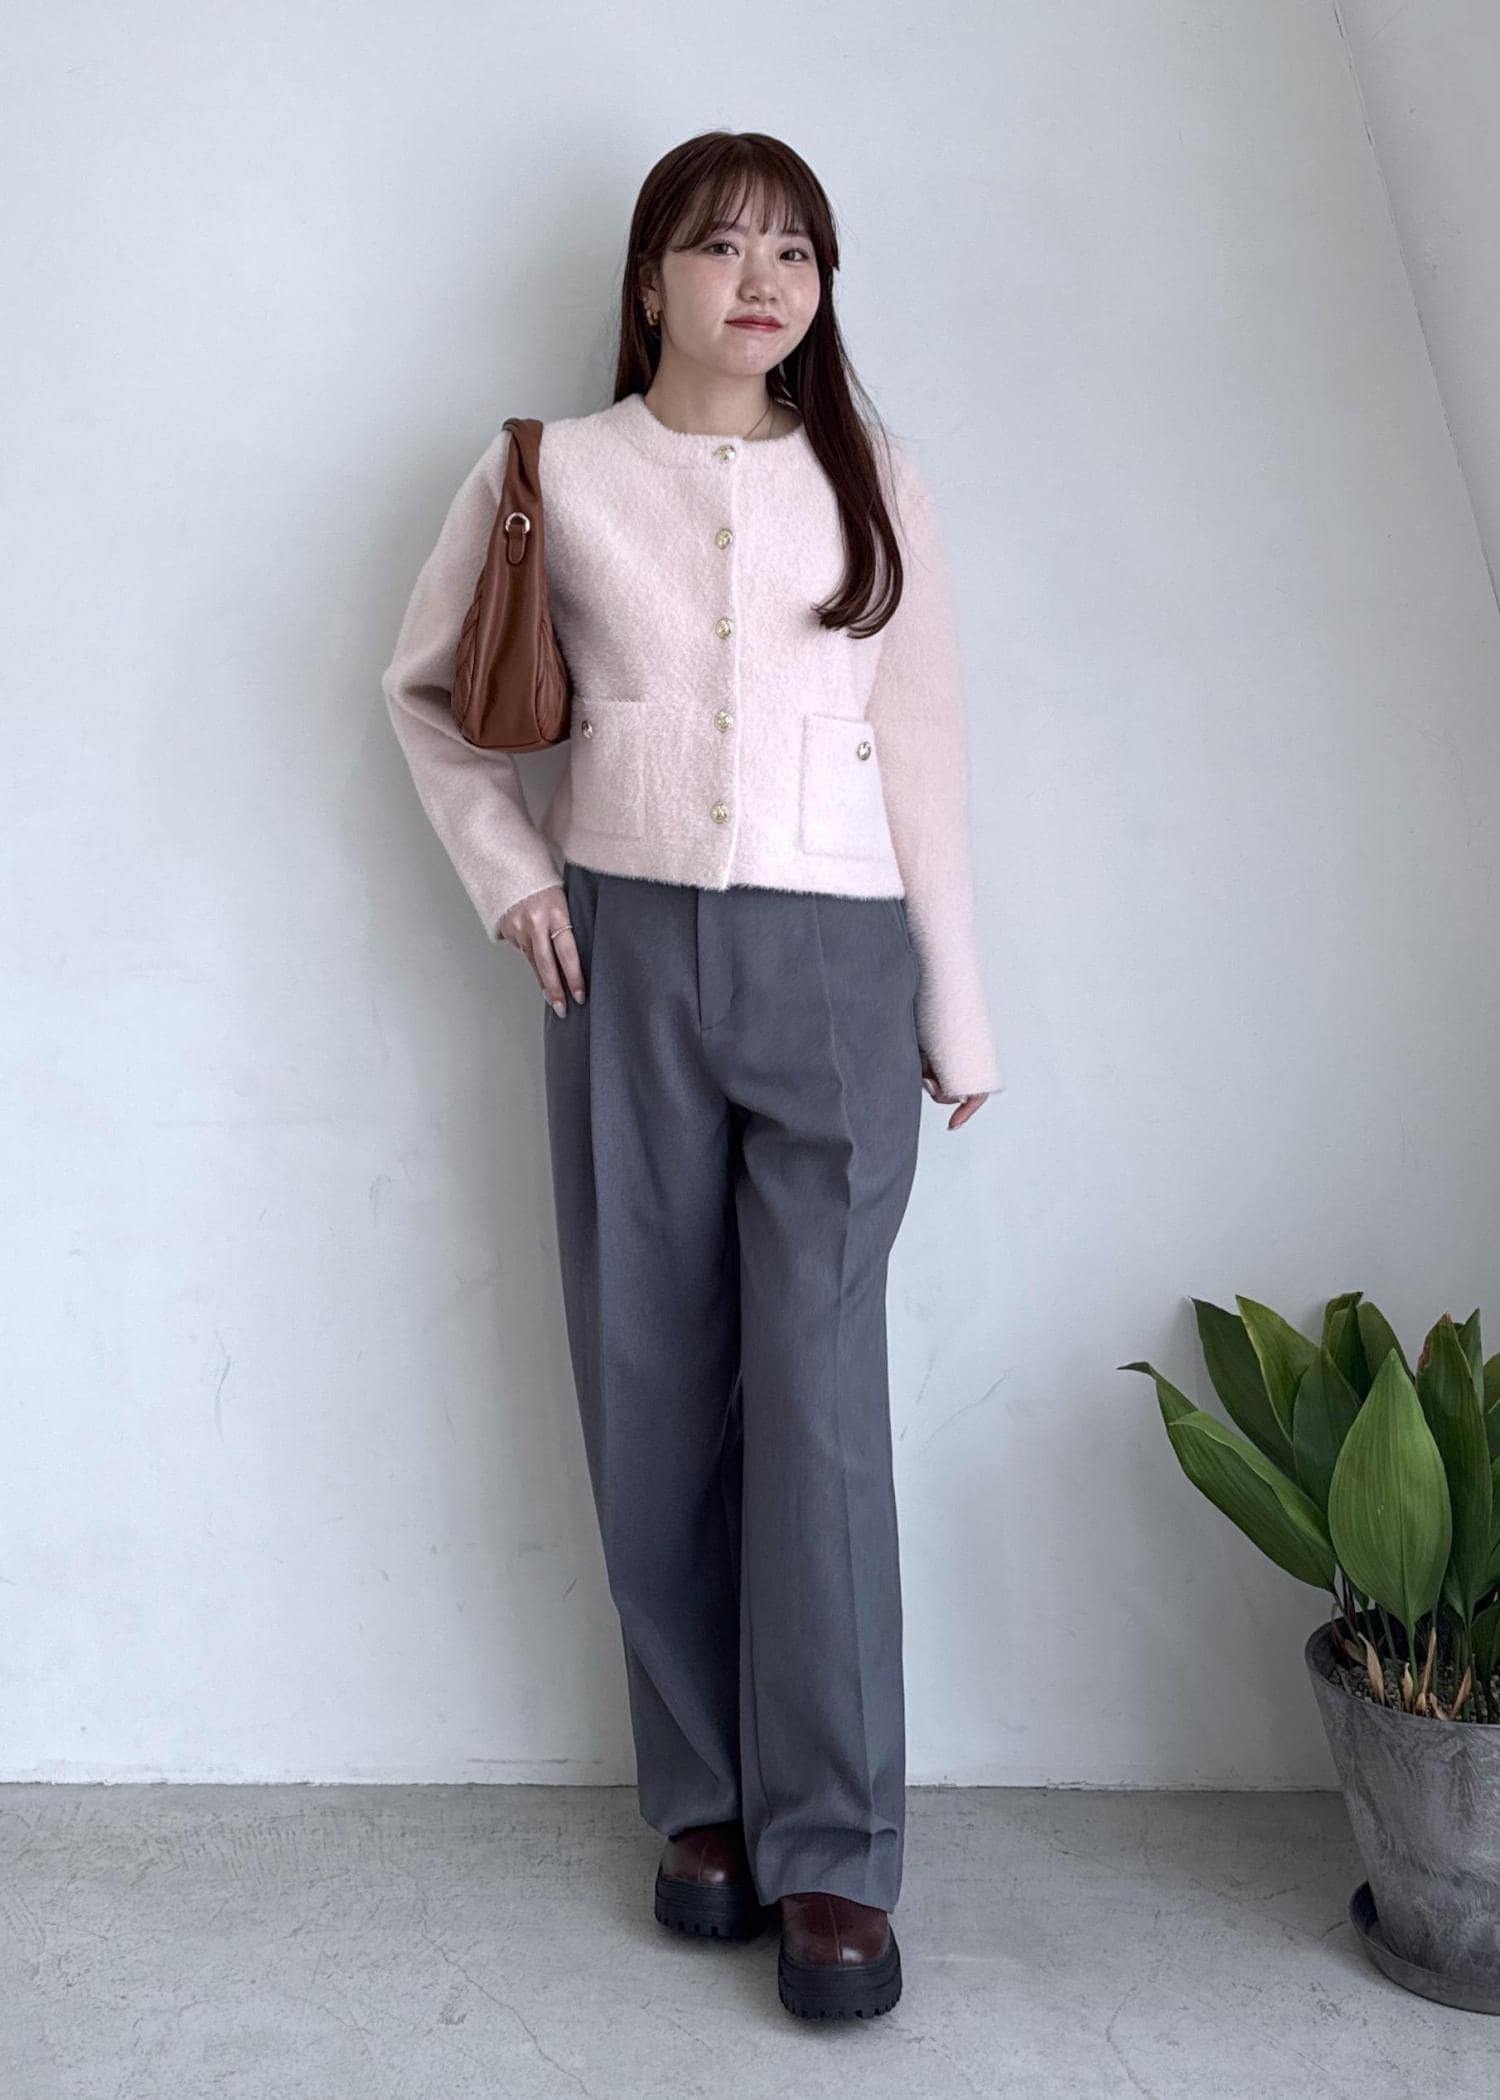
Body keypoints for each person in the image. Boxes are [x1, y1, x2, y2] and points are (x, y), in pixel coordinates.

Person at [381, 128, 1002, 2022]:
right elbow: (425, 696)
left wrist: (957, 1010)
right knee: (649, 1378)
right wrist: (513, 882)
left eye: (797, 251)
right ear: (651, 272)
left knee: (820, 1408)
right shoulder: (551, 472)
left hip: (836, 968)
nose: (764, 280)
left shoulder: (873, 475)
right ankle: (704, 1803)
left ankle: (839, 1855)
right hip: (624, 956)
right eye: (724, 245)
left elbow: (923, 753)